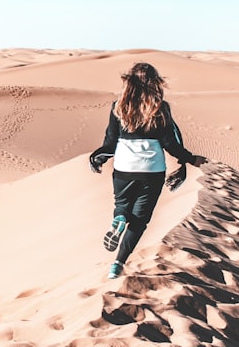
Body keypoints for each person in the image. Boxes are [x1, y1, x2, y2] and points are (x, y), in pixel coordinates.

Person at [89, 62, 207, 279]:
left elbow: (110, 141)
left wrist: (97, 158)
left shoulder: (118, 107)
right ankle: (117, 263)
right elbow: (171, 144)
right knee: (140, 221)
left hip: (124, 166)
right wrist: (191, 159)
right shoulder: (160, 108)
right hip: (151, 170)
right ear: (155, 83)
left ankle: (120, 219)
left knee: (122, 206)